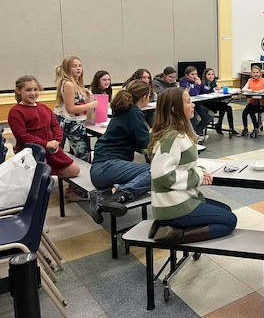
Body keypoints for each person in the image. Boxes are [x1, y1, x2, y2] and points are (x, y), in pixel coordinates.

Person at [147, 88, 237, 244]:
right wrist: (198, 176)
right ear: (176, 110)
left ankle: (166, 225)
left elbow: (181, 168)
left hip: (181, 199)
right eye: (188, 102)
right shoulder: (172, 138)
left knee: (226, 211)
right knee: (230, 221)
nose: (193, 105)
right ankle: (175, 234)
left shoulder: (178, 132)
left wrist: (199, 171)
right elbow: (162, 176)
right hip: (173, 205)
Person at [88, 80, 152, 224]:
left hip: (101, 169)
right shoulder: (134, 112)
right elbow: (145, 143)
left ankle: (102, 195)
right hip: (107, 167)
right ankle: (114, 196)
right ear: (145, 97)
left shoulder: (123, 111)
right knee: (157, 173)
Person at [8, 75, 81, 195]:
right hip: (32, 152)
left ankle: (46, 175)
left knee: (74, 171)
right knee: (34, 185)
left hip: (52, 149)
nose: (33, 93)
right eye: (28, 90)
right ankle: (41, 177)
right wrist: (45, 144)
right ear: (18, 91)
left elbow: (55, 126)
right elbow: (23, 136)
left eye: (35, 90)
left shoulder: (43, 107)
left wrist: (57, 141)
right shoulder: (16, 112)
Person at [54, 56, 97, 163]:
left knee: (79, 154)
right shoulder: (69, 84)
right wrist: (91, 105)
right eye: (74, 66)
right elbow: (71, 108)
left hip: (78, 123)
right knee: (83, 156)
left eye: (80, 66)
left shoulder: (76, 84)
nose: (78, 68)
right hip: (73, 124)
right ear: (67, 68)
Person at [200, 68, 238, 136]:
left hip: (214, 103)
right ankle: (219, 125)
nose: (211, 76)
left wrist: (219, 90)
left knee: (226, 107)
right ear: (205, 75)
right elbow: (205, 92)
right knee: (223, 106)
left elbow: (216, 91)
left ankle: (230, 128)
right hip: (206, 104)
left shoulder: (213, 83)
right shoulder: (202, 84)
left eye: (212, 74)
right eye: (208, 74)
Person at [179, 66, 213, 137]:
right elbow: (193, 93)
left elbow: (206, 91)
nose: (195, 76)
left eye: (196, 74)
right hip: (189, 104)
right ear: (187, 75)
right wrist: (197, 86)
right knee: (195, 119)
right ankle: (193, 135)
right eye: (192, 74)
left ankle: (198, 130)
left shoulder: (197, 81)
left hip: (197, 103)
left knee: (209, 116)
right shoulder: (184, 82)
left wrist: (201, 84)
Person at [241, 65, 264, 138]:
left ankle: (256, 127)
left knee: (252, 112)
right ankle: (245, 128)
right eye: (254, 72)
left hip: (261, 102)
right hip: (252, 101)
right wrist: (249, 90)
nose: (255, 74)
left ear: (260, 73)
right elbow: (243, 89)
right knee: (244, 112)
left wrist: (263, 90)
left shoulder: (263, 80)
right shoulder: (250, 80)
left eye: (257, 72)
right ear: (251, 74)